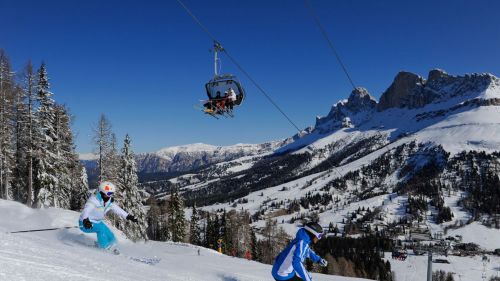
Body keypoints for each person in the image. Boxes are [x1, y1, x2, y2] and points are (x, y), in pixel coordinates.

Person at [79, 181, 138, 254]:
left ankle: (114, 246)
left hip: (97, 222)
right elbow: (86, 210)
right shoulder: (94, 200)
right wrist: (85, 220)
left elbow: (117, 209)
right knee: (101, 230)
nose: (110, 196)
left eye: (112, 193)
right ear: (102, 192)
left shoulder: (108, 201)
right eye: (109, 194)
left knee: (110, 234)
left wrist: (128, 216)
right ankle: (105, 248)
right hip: (85, 223)